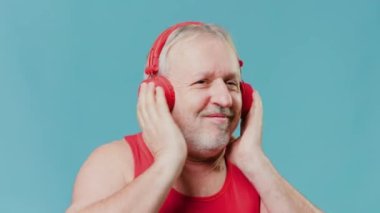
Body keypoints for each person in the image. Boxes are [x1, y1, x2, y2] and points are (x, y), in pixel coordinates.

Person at [67, 21, 322, 212]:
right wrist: (169, 161)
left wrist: (254, 161)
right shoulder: (115, 163)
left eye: (232, 84)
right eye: (202, 82)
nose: (224, 99)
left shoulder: (254, 177)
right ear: (161, 94)